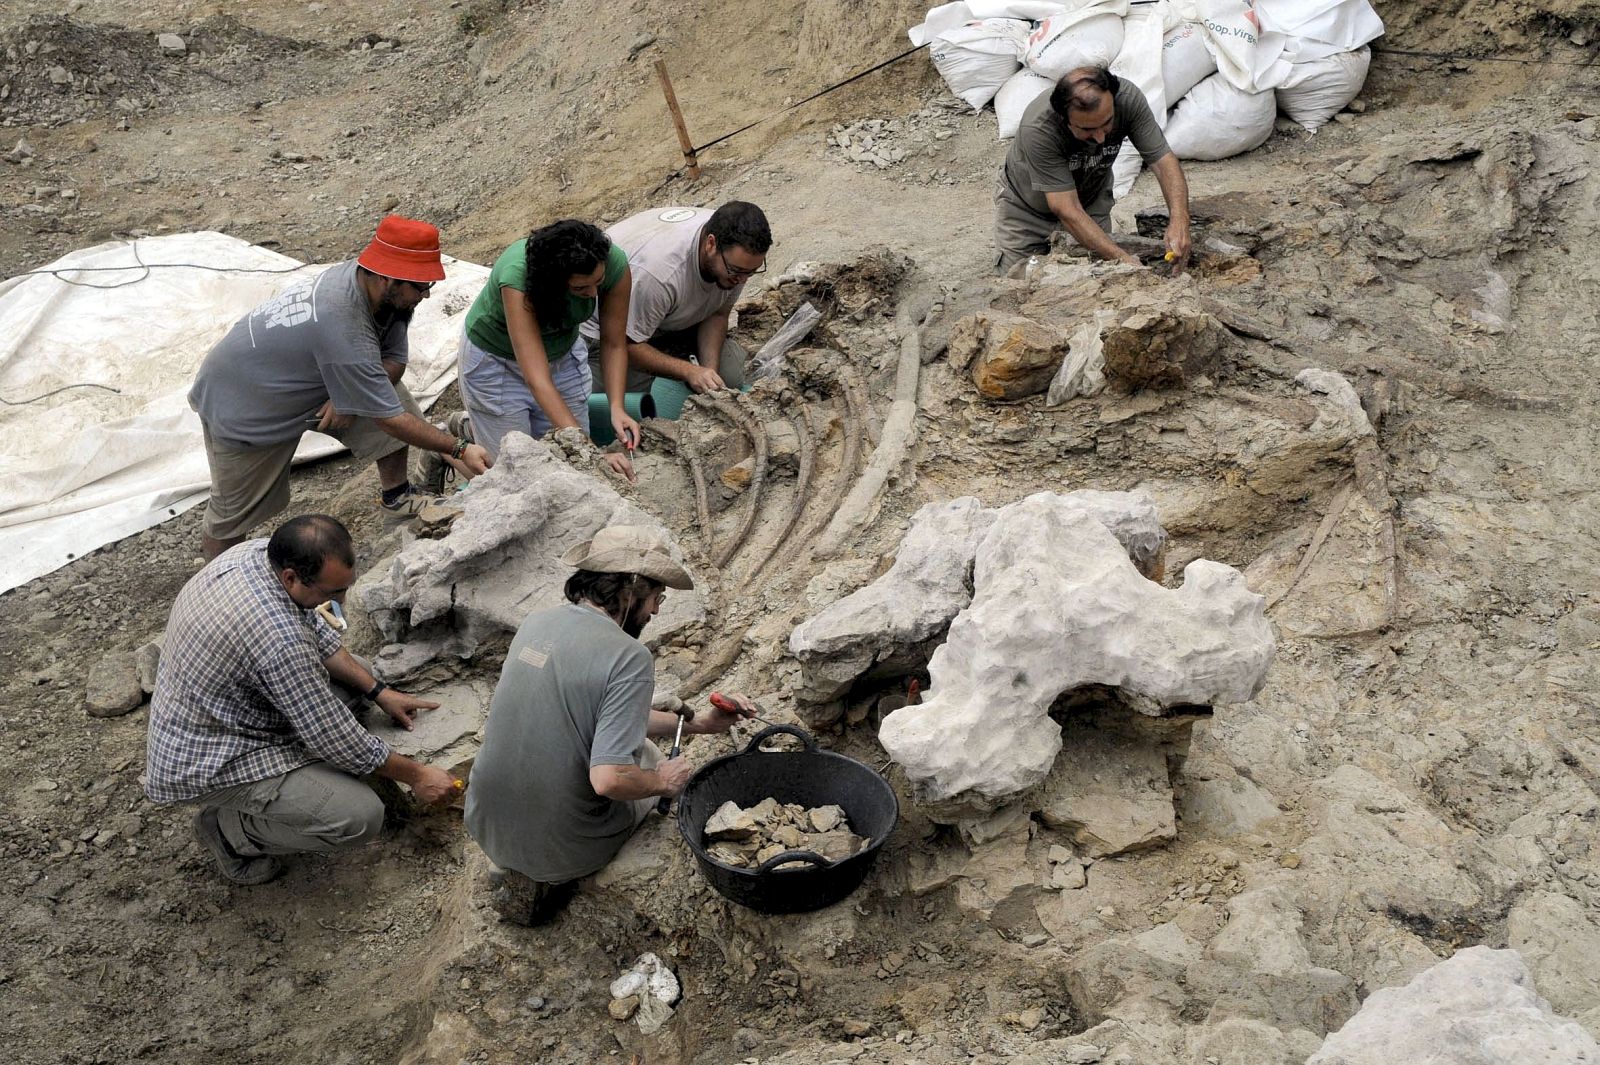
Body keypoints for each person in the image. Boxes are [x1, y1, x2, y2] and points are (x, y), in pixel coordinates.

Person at [463, 525, 758, 924]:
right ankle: (557, 873)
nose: (655, 610)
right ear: (630, 588)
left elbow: (592, 712)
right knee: (648, 759)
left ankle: (522, 862)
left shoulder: (536, 623)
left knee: (633, 747)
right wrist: (663, 782)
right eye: (657, 597)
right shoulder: (628, 656)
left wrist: (701, 726)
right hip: (566, 844)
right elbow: (609, 780)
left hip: (485, 820)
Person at [145, 514, 459, 885]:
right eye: (331, 594)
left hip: (230, 707)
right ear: (291, 577)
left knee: (356, 672)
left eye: (344, 588)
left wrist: (379, 691)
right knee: (358, 817)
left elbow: (316, 636)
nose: (341, 601)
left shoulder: (259, 554)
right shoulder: (276, 640)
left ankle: (280, 793)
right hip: (214, 755)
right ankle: (230, 831)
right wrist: (418, 775)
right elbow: (335, 740)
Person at [188, 215, 493, 562]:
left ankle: (398, 499)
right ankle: (217, 582)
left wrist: (346, 395)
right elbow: (389, 420)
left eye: (428, 286)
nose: (425, 295)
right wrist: (459, 448)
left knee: (392, 396)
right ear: (386, 277)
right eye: (420, 286)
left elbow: (394, 362)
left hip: (310, 376)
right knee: (233, 512)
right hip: (246, 401)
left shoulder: (387, 298)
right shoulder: (342, 319)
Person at [457, 219, 639, 480]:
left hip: (562, 354)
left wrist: (617, 407)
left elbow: (613, 342)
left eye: (598, 282)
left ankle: (473, 426)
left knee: (571, 459)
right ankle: (454, 445)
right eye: (580, 288)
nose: (592, 293)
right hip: (497, 361)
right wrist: (594, 455)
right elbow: (537, 378)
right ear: (553, 282)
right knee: (515, 470)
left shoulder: (613, 264)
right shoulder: (518, 278)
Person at [995, 66, 1192, 275]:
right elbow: (1066, 208)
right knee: (1019, 284)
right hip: (1028, 213)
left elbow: (1163, 162)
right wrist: (1124, 261)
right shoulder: (1039, 129)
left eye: (1107, 123)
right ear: (1065, 119)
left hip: (1090, 204)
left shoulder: (1127, 100)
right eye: (1088, 129)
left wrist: (1179, 220)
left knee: (1098, 280)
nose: (1100, 138)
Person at [580, 201, 772, 397]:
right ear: (711, 244)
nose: (742, 280)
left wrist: (709, 374)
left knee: (730, 377)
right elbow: (622, 344)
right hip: (608, 333)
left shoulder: (735, 255)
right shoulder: (659, 275)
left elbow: (717, 314)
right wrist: (689, 371)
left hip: (665, 318)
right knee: (643, 401)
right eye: (737, 271)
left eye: (751, 272)